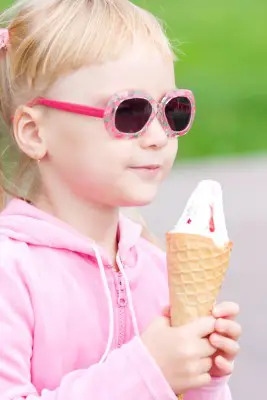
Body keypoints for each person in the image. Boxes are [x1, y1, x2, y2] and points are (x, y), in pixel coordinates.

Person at [0, 1, 241, 399]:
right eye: (130, 112)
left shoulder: (155, 267)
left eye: (173, 110)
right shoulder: (12, 273)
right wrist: (148, 372)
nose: (159, 136)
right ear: (34, 132)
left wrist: (203, 378)